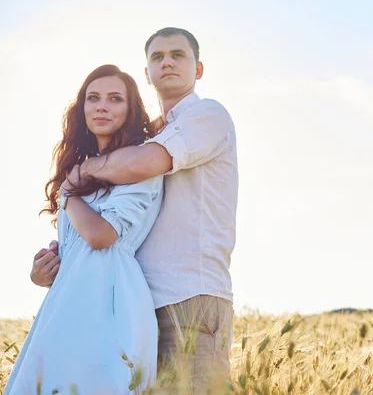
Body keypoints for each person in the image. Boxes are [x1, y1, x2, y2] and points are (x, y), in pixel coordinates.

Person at [32, 27, 238, 393]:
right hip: (137, 305)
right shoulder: (150, 136)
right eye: (157, 57)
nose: (167, 62)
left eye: (178, 55)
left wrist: (77, 177)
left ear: (199, 69)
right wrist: (56, 265)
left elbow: (146, 164)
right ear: (147, 74)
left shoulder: (206, 116)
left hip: (191, 297)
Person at [7, 65, 163, 394]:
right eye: (93, 98)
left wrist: (66, 195)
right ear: (83, 109)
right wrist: (45, 271)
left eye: (115, 99)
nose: (101, 106)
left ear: (131, 110)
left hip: (110, 298)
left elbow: (101, 236)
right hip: (67, 297)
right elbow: (77, 241)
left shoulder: (140, 163)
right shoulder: (79, 168)